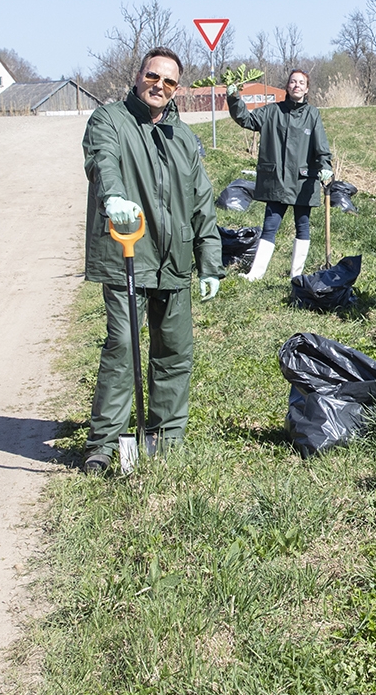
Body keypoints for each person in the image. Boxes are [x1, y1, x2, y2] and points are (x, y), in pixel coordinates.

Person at [80, 47, 223, 475]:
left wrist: (210, 260)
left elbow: (202, 201)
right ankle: (105, 443)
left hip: (174, 257)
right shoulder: (110, 120)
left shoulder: (183, 138)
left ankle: (165, 437)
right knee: (123, 344)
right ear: (138, 76)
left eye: (169, 82)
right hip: (129, 251)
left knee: (174, 351)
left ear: (177, 88)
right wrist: (114, 197)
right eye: (152, 76)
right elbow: (101, 161)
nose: (159, 86)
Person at [226, 69, 333, 280]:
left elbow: (321, 145)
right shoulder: (271, 112)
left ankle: (297, 275)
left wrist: (325, 165)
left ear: (307, 88)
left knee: (302, 225)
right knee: (270, 225)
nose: (297, 85)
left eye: (301, 82)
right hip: (276, 180)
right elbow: (246, 119)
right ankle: (255, 274)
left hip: (303, 180)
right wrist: (234, 98)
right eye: (293, 82)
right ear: (287, 86)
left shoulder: (312, 114)